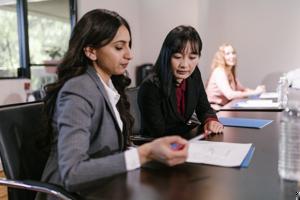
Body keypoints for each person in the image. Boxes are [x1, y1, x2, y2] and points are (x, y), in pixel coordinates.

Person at [38, 9, 188, 199]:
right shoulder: (78, 89)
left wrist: (151, 152)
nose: (129, 55)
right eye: (119, 47)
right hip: (71, 194)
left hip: (105, 187)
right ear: (91, 51)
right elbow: (72, 174)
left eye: (128, 46)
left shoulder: (108, 85)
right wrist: (145, 153)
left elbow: (111, 148)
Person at [138, 25, 223, 139]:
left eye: (192, 58)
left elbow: (204, 108)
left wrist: (210, 121)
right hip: (159, 147)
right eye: (177, 57)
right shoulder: (151, 86)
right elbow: (159, 132)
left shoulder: (194, 74)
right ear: (166, 56)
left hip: (184, 140)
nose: (184, 65)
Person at [206, 44, 265, 110]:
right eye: (227, 54)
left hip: (224, 107)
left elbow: (242, 89)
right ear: (221, 57)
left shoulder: (229, 72)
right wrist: (254, 93)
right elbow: (230, 95)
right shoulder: (219, 71)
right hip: (214, 109)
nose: (232, 56)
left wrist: (258, 91)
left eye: (233, 53)